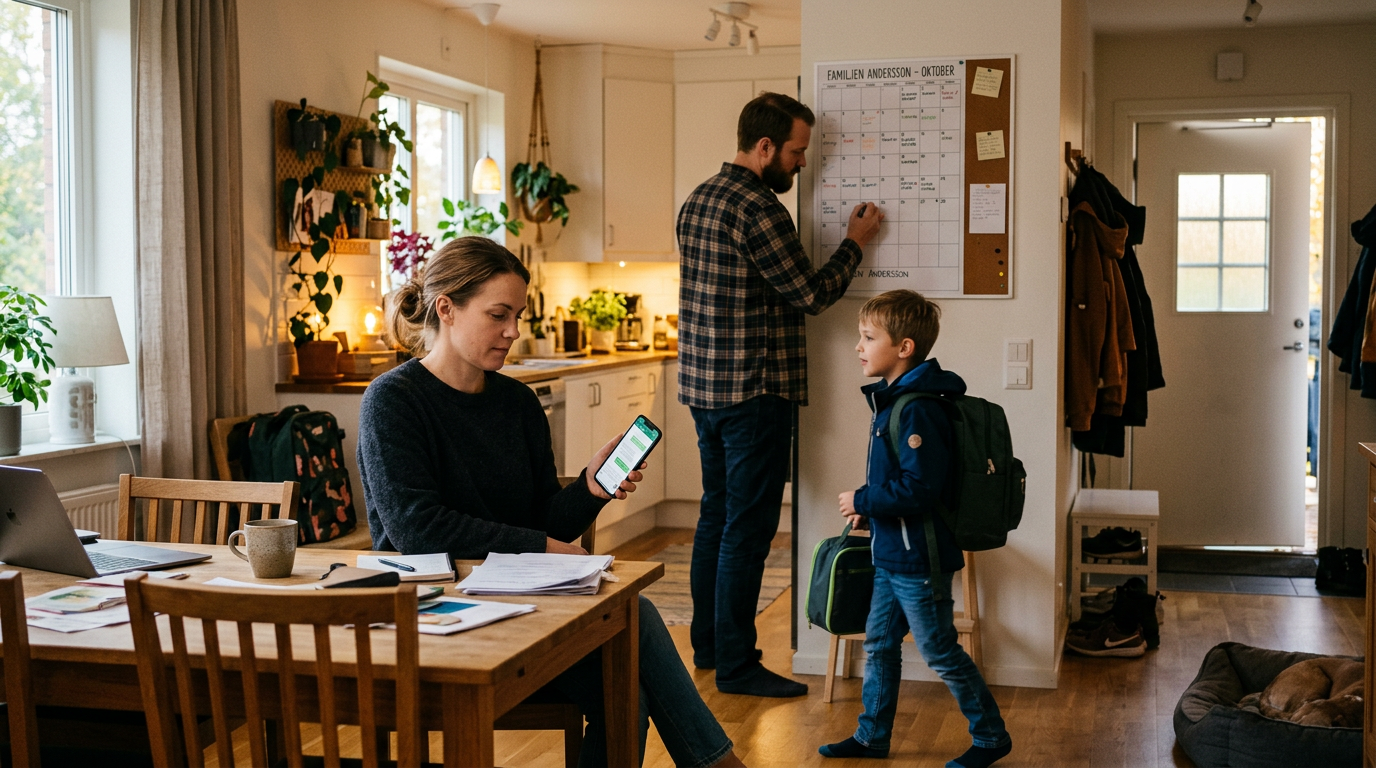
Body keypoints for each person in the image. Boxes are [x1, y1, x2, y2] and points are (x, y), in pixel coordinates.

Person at [357, 236, 745, 768]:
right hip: (434, 617)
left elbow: (542, 514)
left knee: (624, 681)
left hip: (519, 605)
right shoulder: (392, 401)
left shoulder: (517, 402)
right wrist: (540, 546)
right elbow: (416, 530)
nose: (513, 331)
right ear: (445, 308)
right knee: (634, 636)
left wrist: (590, 487)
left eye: (517, 315)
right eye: (499, 315)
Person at [676, 91, 884, 698]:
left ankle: (711, 650)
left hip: (706, 390)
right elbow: (810, 295)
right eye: (795, 152)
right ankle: (739, 667)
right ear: (764, 146)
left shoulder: (698, 200)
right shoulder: (759, 209)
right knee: (747, 529)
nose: (799, 163)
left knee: (715, 519)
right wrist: (856, 241)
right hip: (754, 392)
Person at [818, 290, 1011, 768]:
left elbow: (920, 488)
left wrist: (862, 499)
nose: (858, 346)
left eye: (868, 337)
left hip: (918, 558)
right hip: (892, 552)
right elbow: (901, 481)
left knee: (941, 649)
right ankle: (871, 737)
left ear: (904, 347)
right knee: (880, 644)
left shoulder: (918, 407)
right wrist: (872, 510)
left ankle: (991, 737)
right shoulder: (895, 401)